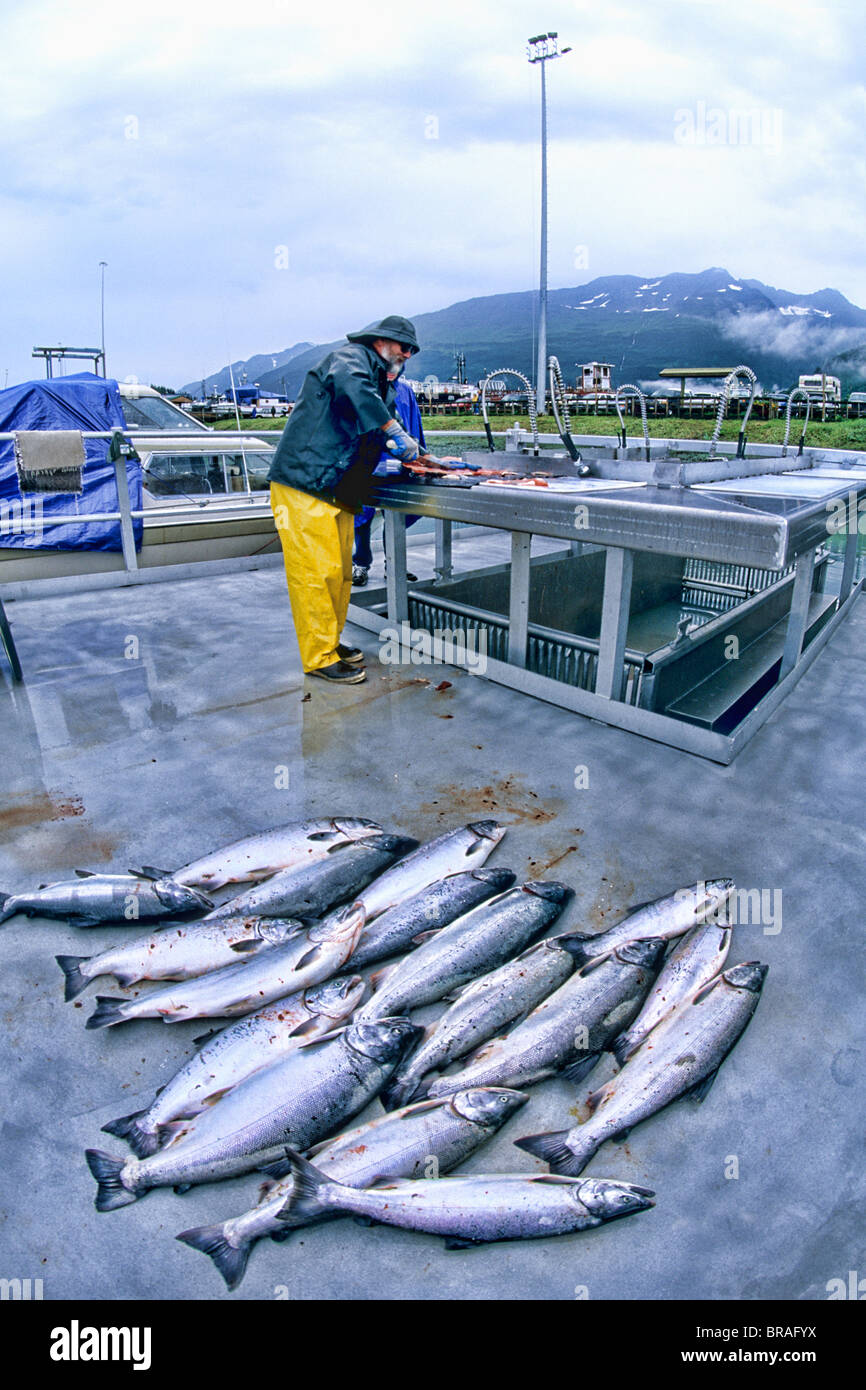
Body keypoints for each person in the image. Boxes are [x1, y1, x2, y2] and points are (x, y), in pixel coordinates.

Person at [268, 315, 425, 685]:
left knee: (338, 574)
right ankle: (317, 656)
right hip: (305, 482)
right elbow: (355, 390)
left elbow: (374, 433)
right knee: (314, 575)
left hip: (336, 490)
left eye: (412, 351)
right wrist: (393, 430)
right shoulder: (351, 359)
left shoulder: (383, 383)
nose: (407, 354)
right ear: (380, 342)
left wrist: (421, 459)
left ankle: (330, 642)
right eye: (404, 347)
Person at [352, 373, 423, 587]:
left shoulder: (405, 391)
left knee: (397, 514)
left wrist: (419, 457)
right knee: (361, 515)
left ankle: (393, 565)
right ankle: (361, 564)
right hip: (367, 464)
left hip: (399, 464)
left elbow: (414, 425)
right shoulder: (365, 390)